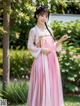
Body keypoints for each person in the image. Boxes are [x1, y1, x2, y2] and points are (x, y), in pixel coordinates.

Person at [27, 5, 68, 106]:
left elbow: (52, 47)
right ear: (37, 16)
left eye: (46, 16)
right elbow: (29, 46)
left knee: (51, 85)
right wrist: (41, 50)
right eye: (41, 15)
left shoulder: (49, 29)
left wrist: (60, 40)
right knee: (42, 85)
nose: (44, 18)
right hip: (41, 62)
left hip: (52, 61)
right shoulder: (33, 30)